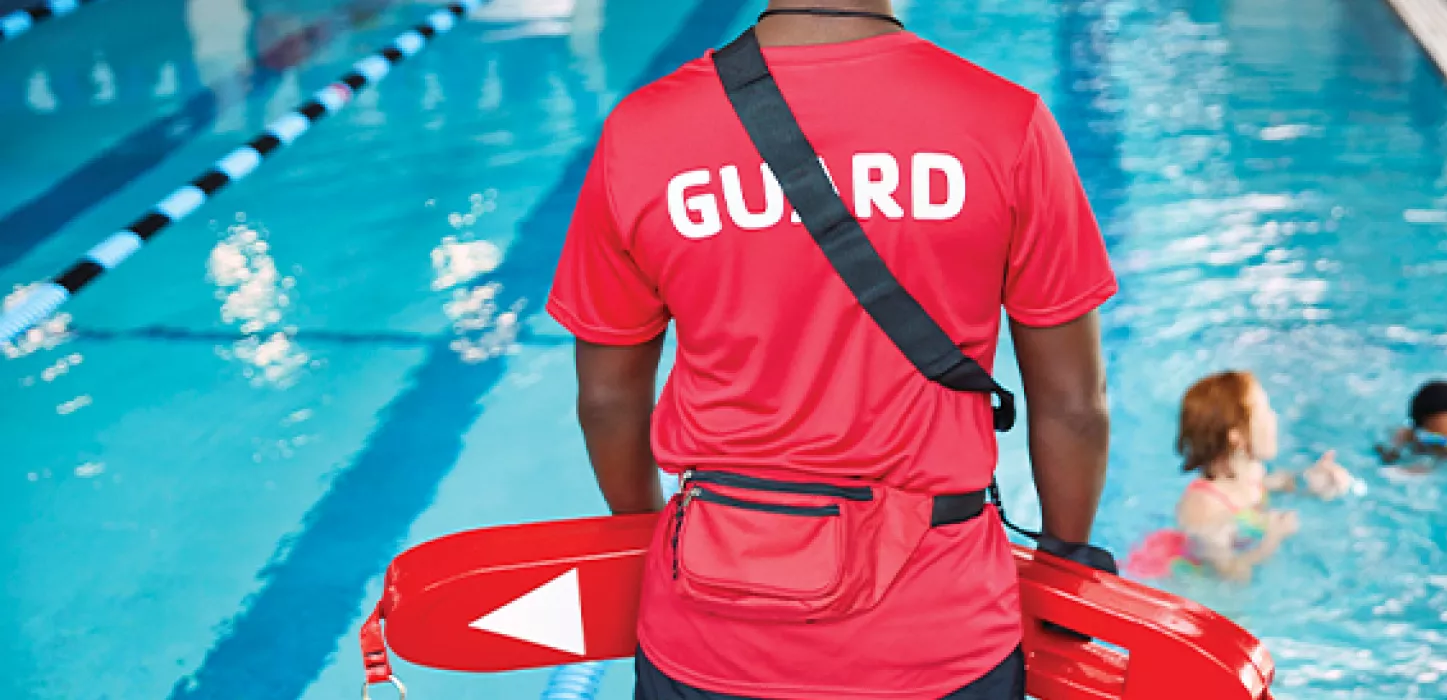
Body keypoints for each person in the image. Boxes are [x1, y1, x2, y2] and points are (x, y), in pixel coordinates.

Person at [545, 2, 1117, 698]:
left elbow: (607, 401)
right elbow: (1073, 405)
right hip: (937, 637)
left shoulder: (643, 130)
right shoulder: (1006, 121)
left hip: (709, 637)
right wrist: (1065, 563)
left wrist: (648, 542)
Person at [1123, 371, 1351, 582]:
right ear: (1237, 437)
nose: (1274, 418)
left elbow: (1279, 483)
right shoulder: (1203, 505)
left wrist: (1314, 480)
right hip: (1195, 580)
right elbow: (1229, 576)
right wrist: (1272, 539)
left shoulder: (1252, 472)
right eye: (1265, 412)